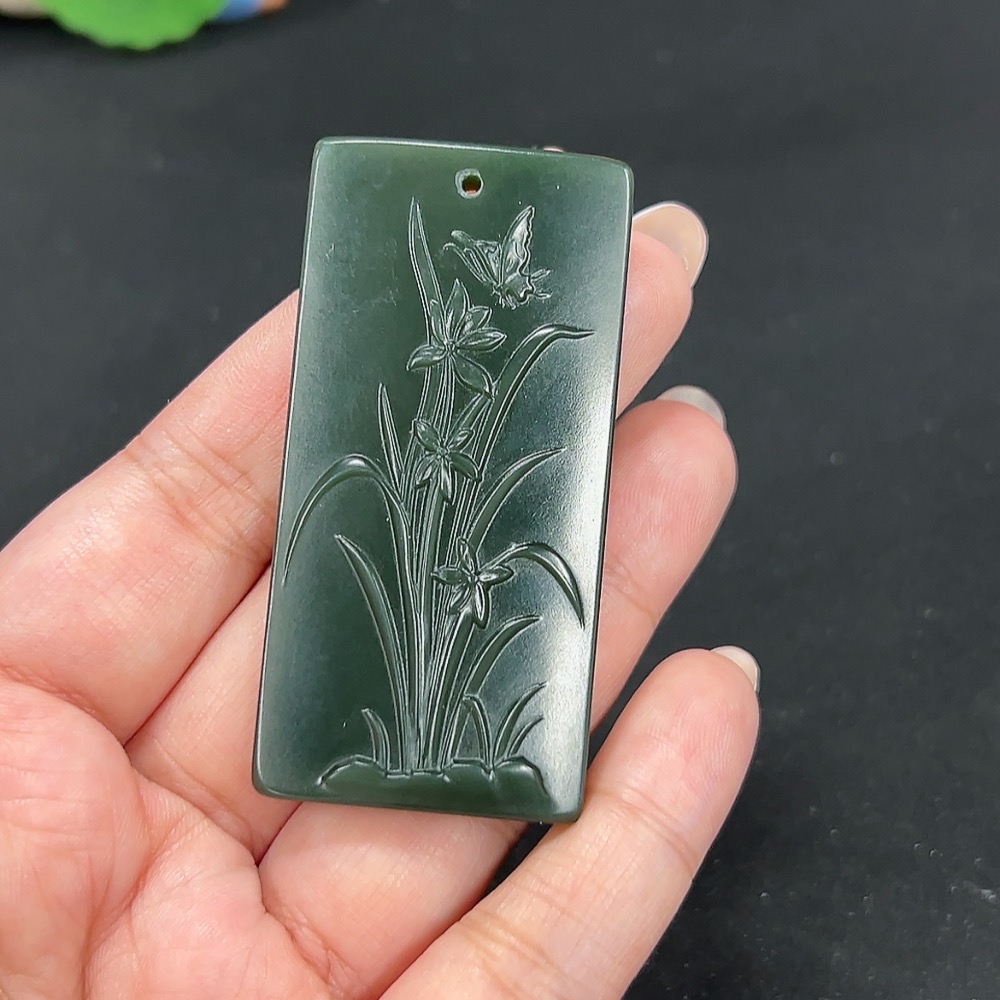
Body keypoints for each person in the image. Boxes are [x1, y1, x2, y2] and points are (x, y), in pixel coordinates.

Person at [0, 204, 759, 998]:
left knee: (454, 569)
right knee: (414, 548)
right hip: (430, 489)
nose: (506, 281)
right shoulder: (444, 366)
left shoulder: (471, 357)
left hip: (452, 517)